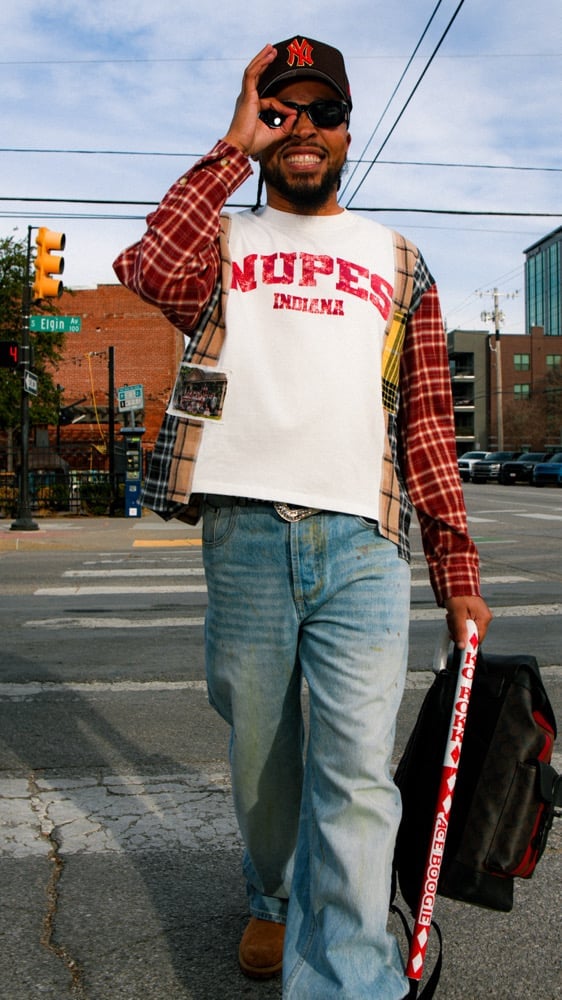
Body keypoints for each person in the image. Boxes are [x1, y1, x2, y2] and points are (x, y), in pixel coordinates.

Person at [113, 35, 492, 999]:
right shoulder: (222, 241)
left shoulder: (398, 259)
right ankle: (277, 897)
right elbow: (148, 268)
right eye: (283, 111)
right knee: (263, 762)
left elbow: (428, 424)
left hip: (363, 539)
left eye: (324, 112)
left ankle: (350, 977)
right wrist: (231, 146)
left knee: (356, 772)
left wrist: (457, 571)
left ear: (347, 131)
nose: (304, 129)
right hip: (244, 531)